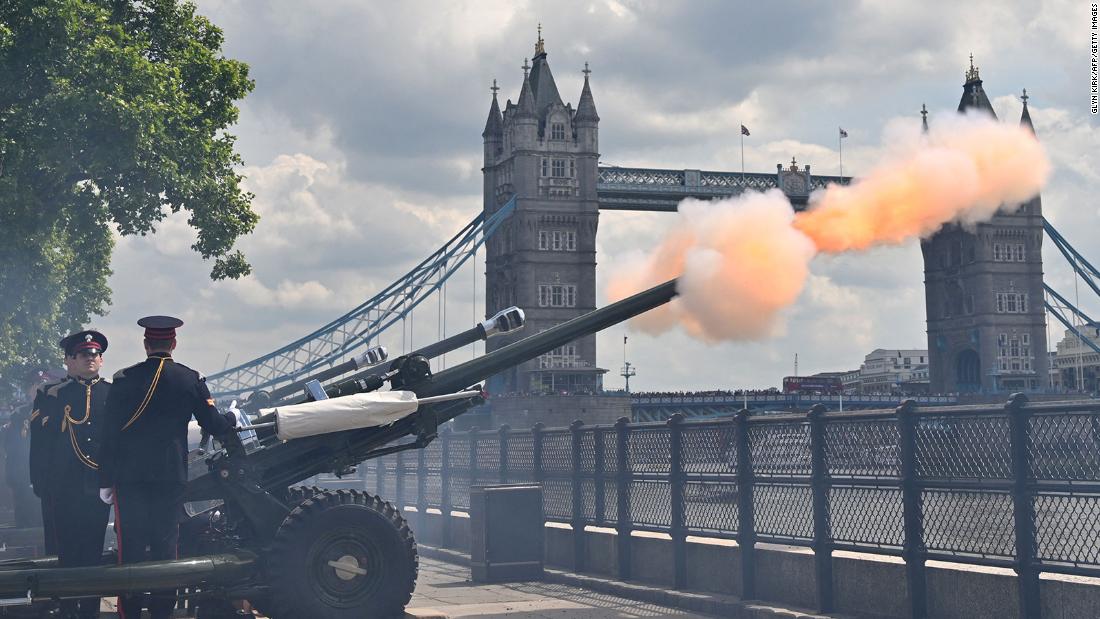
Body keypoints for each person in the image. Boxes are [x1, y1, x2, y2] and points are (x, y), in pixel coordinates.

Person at [98, 315, 236, 619]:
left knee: (130, 551)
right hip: (169, 478)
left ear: (146, 343)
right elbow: (214, 424)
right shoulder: (189, 379)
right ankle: (162, 613)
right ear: (173, 343)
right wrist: (233, 419)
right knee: (165, 551)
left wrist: (106, 480)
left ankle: (130, 614)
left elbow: (108, 435)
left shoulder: (123, 379)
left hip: (129, 478)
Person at [36, 330, 112, 618]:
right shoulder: (52, 394)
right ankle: (68, 608)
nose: (90, 359)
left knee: (93, 552)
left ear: (101, 360)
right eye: (83, 354)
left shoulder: (111, 392)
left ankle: (90, 609)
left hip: (98, 485)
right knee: (67, 553)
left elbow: (115, 443)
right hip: (63, 486)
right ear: (69, 360)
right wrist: (41, 483)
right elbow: (40, 445)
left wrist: (112, 478)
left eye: (95, 354)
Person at [1, 369, 50, 529]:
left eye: (44, 384)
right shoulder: (19, 415)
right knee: (26, 525)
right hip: (24, 477)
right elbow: (13, 449)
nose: (41, 388)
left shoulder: (58, 410)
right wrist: (15, 478)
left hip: (50, 478)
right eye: (37, 385)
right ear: (30, 389)